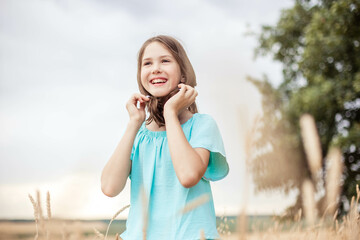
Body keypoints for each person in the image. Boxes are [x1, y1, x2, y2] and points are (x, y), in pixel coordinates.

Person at [101, 35, 229, 240]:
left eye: (165, 61)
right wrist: (134, 122)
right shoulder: (138, 133)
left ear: (184, 75)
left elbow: (188, 176)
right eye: (147, 63)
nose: (156, 68)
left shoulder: (202, 125)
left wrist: (170, 112)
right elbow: (109, 187)